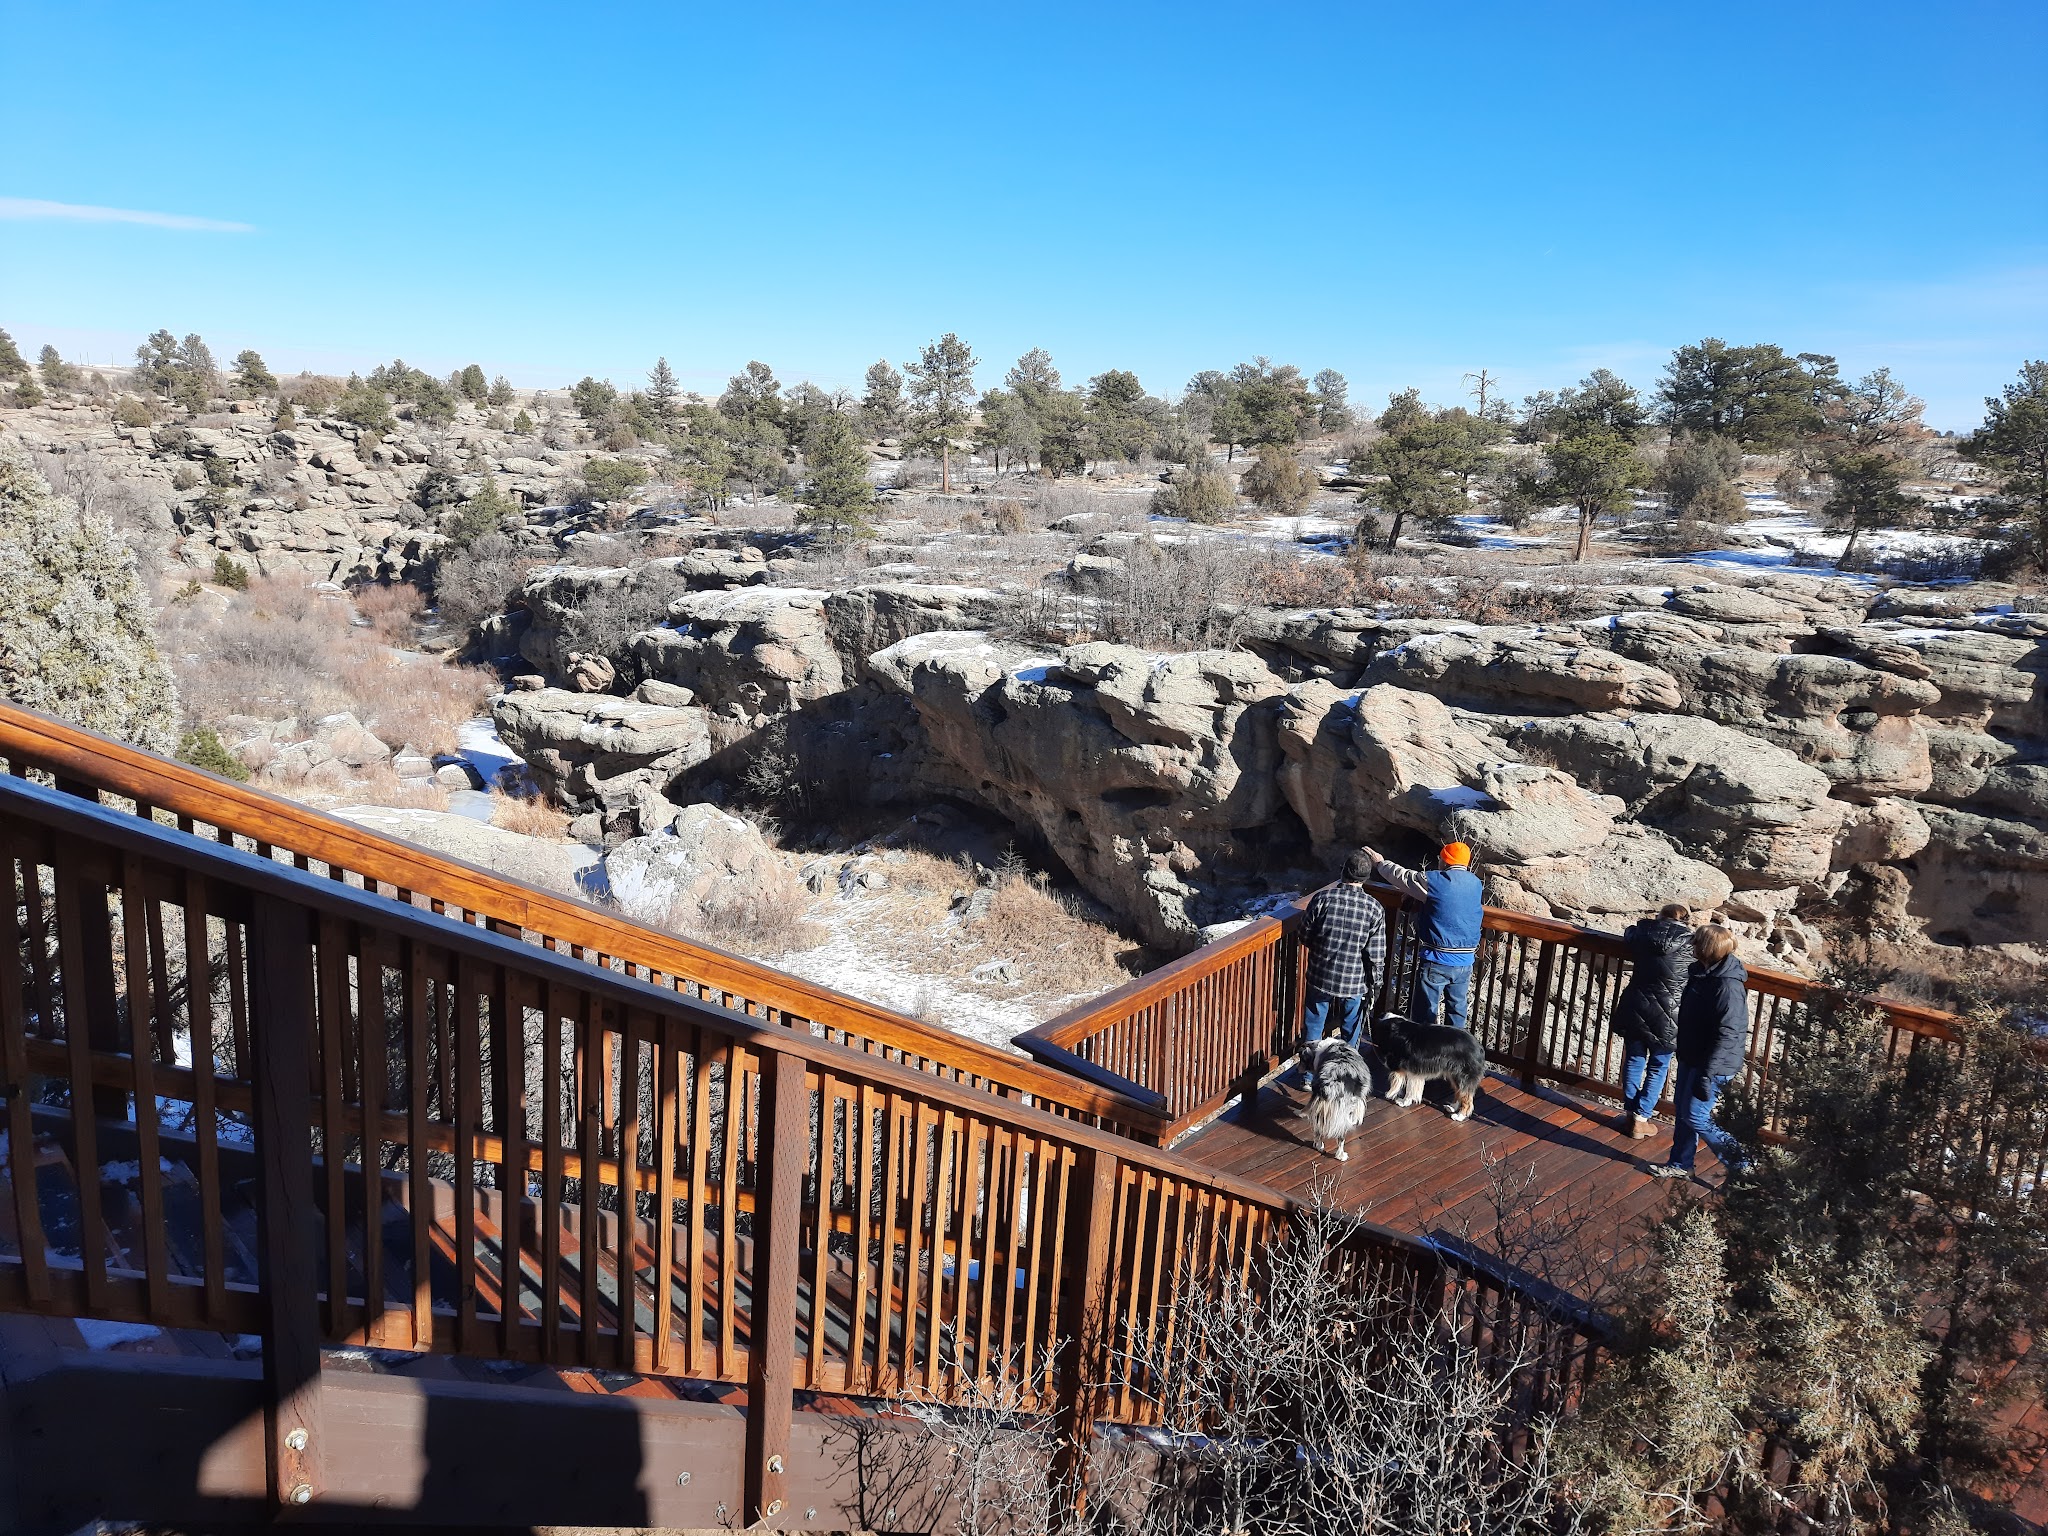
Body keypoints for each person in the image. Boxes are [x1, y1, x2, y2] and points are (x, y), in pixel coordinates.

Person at [1649, 923, 1750, 1180]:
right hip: (1693, 1056)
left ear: (1705, 949)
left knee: (1696, 1116)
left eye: (1696, 942)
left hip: (1714, 1063)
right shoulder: (1703, 974)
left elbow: (1727, 1034)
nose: (1691, 945)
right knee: (1683, 1112)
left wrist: (1708, 1074)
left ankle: (1744, 1165)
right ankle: (1681, 1164)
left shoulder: (1727, 986)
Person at [1363, 842, 1483, 1031]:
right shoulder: (1476, 883)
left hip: (1437, 959)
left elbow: (1402, 877)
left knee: (1424, 1017)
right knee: (1457, 1013)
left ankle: (1424, 1055)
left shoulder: (1434, 880)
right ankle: (1455, 1055)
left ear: (1444, 861)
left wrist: (1380, 863)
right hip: (1465, 961)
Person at [1295, 850, 1387, 1083]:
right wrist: (1375, 983)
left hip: (1321, 975)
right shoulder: (1374, 908)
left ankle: (1308, 1076)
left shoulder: (1322, 899)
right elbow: (1376, 955)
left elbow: (1305, 934)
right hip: (1354, 981)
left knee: (1314, 1025)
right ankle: (1344, 1077)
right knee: (1351, 1032)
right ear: (1365, 878)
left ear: (1343, 871)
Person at [1612, 904, 1693, 1139]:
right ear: (1685, 921)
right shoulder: (1691, 942)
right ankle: (1641, 1116)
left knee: (1634, 1060)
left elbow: (1628, 933)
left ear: (1661, 917)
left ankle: (1630, 1112)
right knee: (1659, 1065)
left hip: (1637, 1003)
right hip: (1672, 1011)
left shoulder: (1643, 933)